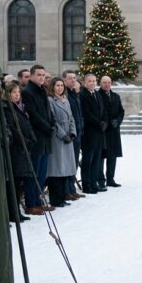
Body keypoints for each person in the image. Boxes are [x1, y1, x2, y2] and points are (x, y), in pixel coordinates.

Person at [21, 65, 54, 212]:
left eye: (43, 75)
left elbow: (48, 112)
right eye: (39, 75)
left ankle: (38, 200)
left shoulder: (42, 90)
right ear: (32, 76)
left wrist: (53, 125)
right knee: (33, 172)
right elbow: (33, 115)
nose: (41, 77)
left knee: (42, 173)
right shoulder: (28, 92)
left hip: (46, 137)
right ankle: (31, 203)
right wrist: (47, 127)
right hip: (37, 137)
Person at [2, 81, 34, 219]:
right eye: (14, 92)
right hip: (16, 149)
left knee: (19, 182)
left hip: (24, 148)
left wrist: (31, 138)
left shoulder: (19, 107)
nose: (17, 95)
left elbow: (26, 124)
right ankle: (13, 212)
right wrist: (24, 140)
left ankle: (16, 211)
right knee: (14, 183)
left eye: (18, 92)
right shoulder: (7, 108)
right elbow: (13, 129)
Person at [46, 78, 77, 208]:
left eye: (61, 85)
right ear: (52, 87)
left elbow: (71, 118)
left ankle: (63, 195)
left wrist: (72, 132)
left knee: (65, 169)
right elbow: (53, 120)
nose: (60, 88)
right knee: (56, 169)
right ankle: (55, 198)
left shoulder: (66, 100)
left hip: (68, 137)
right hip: (57, 138)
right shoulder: (50, 100)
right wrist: (63, 134)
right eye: (57, 85)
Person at [79, 74, 107, 194]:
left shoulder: (97, 94)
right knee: (88, 160)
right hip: (89, 133)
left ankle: (94, 182)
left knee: (96, 160)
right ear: (85, 82)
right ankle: (87, 184)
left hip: (99, 133)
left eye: (94, 81)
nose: (92, 83)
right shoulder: (82, 95)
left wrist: (104, 122)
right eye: (90, 81)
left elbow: (103, 110)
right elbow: (86, 113)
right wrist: (98, 123)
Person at [99, 76, 125, 188]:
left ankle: (110, 179)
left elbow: (121, 111)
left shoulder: (116, 96)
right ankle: (100, 180)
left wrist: (118, 121)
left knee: (112, 156)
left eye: (109, 82)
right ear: (100, 83)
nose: (107, 84)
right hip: (103, 131)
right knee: (101, 157)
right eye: (104, 82)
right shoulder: (97, 95)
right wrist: (106, 122)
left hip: (114, 131)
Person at [63, 70, 84, 200]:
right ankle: (66, 190)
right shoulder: (65, 94)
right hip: (69, 134)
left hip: (78, 133)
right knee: (68, 163)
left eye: (75, 78)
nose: (73, 80)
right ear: (64, 80)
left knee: (74, 163)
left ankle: (71, 188)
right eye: (70, 78)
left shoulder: (75, 94)